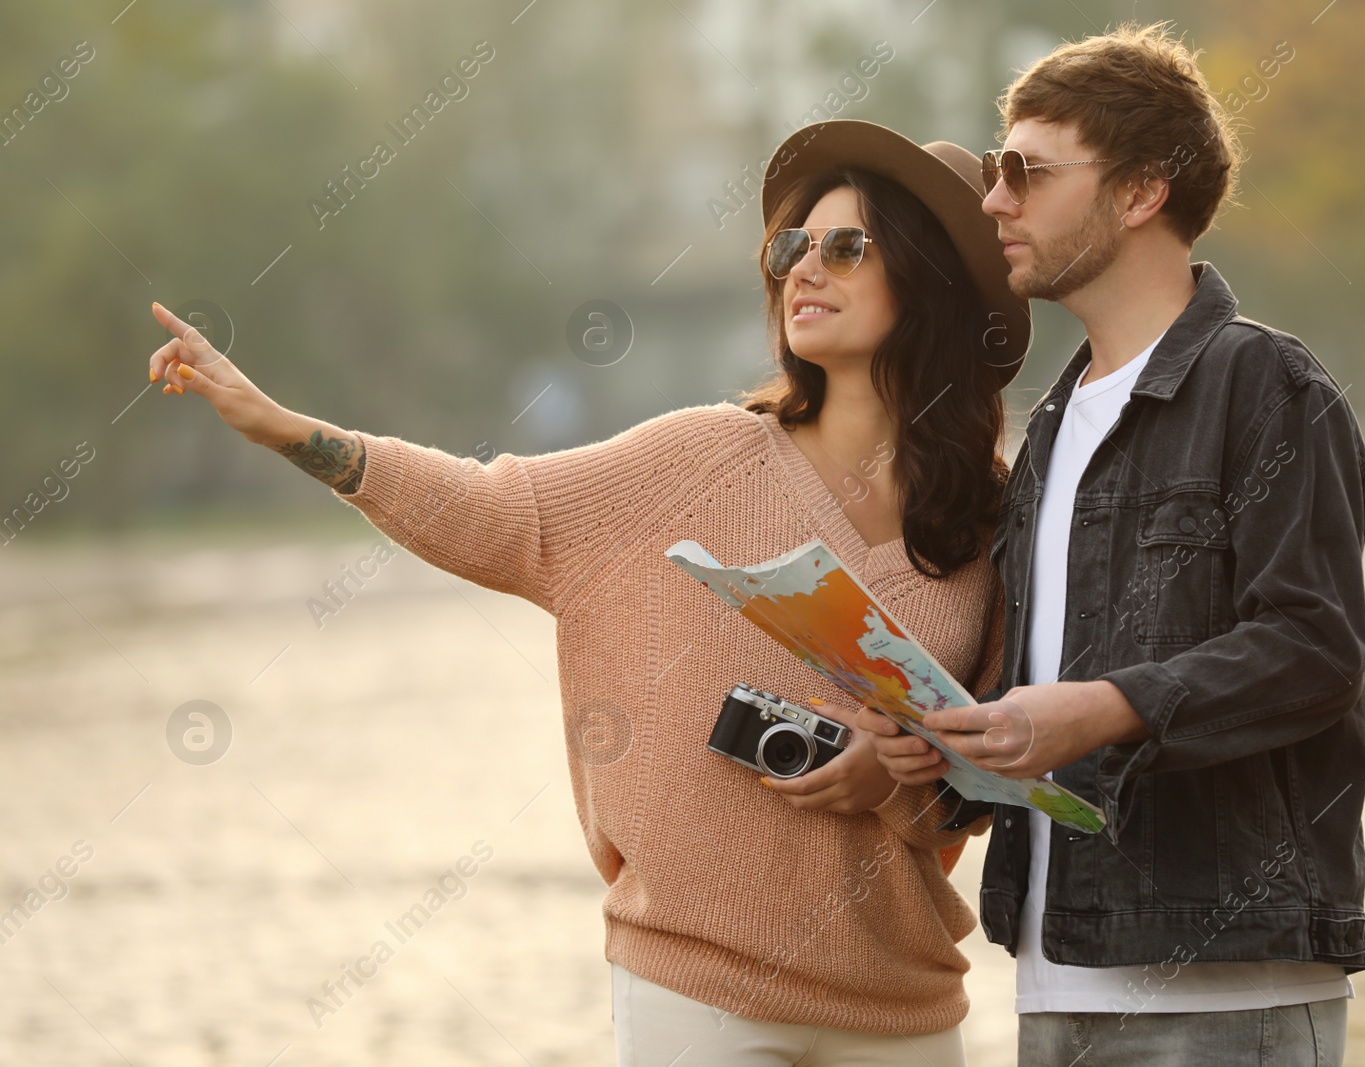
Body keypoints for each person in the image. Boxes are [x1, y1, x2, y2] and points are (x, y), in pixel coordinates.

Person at [144, 120, 1032, 1065]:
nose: (804, 269)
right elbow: (496, 510)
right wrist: (283, 427)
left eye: (846, 246)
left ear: (929, 279)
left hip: (901, 1003)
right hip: (698, 986)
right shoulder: (697, 458)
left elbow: (990, 780)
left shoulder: (990, 516)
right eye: (789, 248)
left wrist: (894, 775)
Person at [862, 23, 1365, 1066]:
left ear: (1140, 191)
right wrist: (952, 748)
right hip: (1055, 974)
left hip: (1230, 986)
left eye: (1026, 172)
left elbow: (1314, 650)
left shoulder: (1263, 388)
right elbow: (1046, 686)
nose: (995, 199)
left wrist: (1103, 708)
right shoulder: (1048, 428)